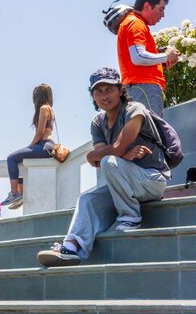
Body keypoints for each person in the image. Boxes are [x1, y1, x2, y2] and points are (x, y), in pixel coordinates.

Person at [37, 67, 169, 267]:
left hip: (151, 180)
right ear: (92, 95)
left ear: (120, 90)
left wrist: (106, 154)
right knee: (87, 199)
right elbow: (99, 158)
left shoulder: (135, 110)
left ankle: (130, 217)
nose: (104, 95)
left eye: (109, 89)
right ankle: (71, 248)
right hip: (123, 184)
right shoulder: (98, 123)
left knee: (110, 161)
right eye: (98, 91)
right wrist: (112, 155)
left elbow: (112, 151)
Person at [117, 0, 180, 117]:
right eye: (161, 9)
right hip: (144, 88)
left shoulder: (133, 22)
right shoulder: (136, 23)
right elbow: (138, 56)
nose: (163, 15)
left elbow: (137, 59)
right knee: (150, 133)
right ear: (147, 6)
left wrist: (161, 63)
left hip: (140, 87)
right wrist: (166, 56)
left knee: (148, 132)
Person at [2, 83, 56, 210]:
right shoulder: (50, 109)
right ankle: (21, 194)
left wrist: (31, 145)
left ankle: (14, 193)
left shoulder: (43, 108)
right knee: (20, 158)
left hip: (44, 145)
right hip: (49, 145)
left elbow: (40, 133)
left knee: (11, 158)